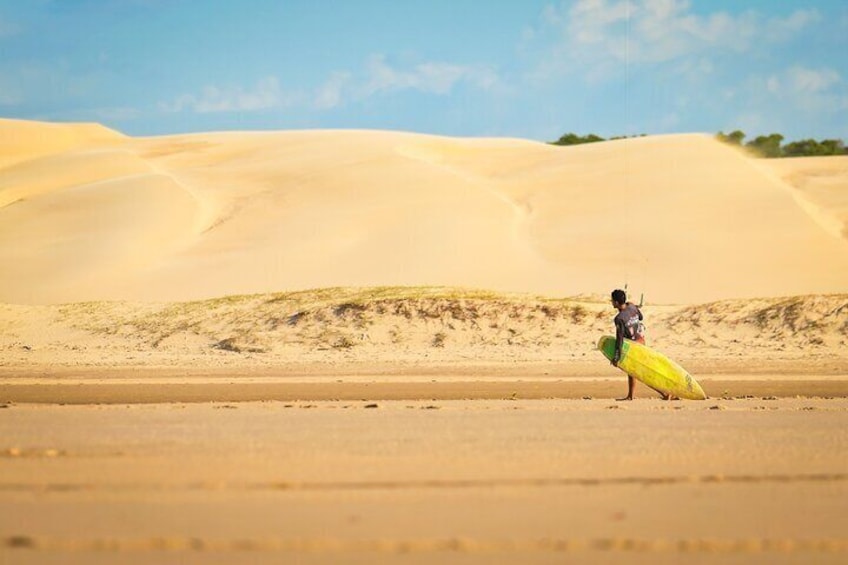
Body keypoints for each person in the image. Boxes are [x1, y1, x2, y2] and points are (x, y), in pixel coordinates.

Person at [610, 289, 674, 401]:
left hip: (634, 347)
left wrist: (616, 357)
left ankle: (665, 393)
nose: (611, 302)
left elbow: (619, 339)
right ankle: (630, 395)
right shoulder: (632, 307)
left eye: (612, 300)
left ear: (616, 302)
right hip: (641, 341)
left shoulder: (619, 319)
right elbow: (640, 317)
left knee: (641, 373)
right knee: (631, 371)